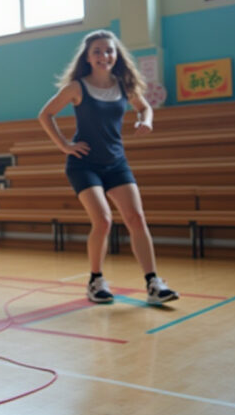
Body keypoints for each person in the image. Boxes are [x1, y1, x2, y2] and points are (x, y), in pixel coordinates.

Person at [37, 29, 179, 306]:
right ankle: (96, 281)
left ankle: (153, 283)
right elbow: (45, 114)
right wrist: (65, 145)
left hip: (116, 162)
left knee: (136, 218)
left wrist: (145, 120)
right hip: (84, 164)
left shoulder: (123, 85)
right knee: (102, 220)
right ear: (88, 58)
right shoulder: (77, 87)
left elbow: (144, 107)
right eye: (98, 51)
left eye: (109, 50)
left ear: (117, 55)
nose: (104, 56)